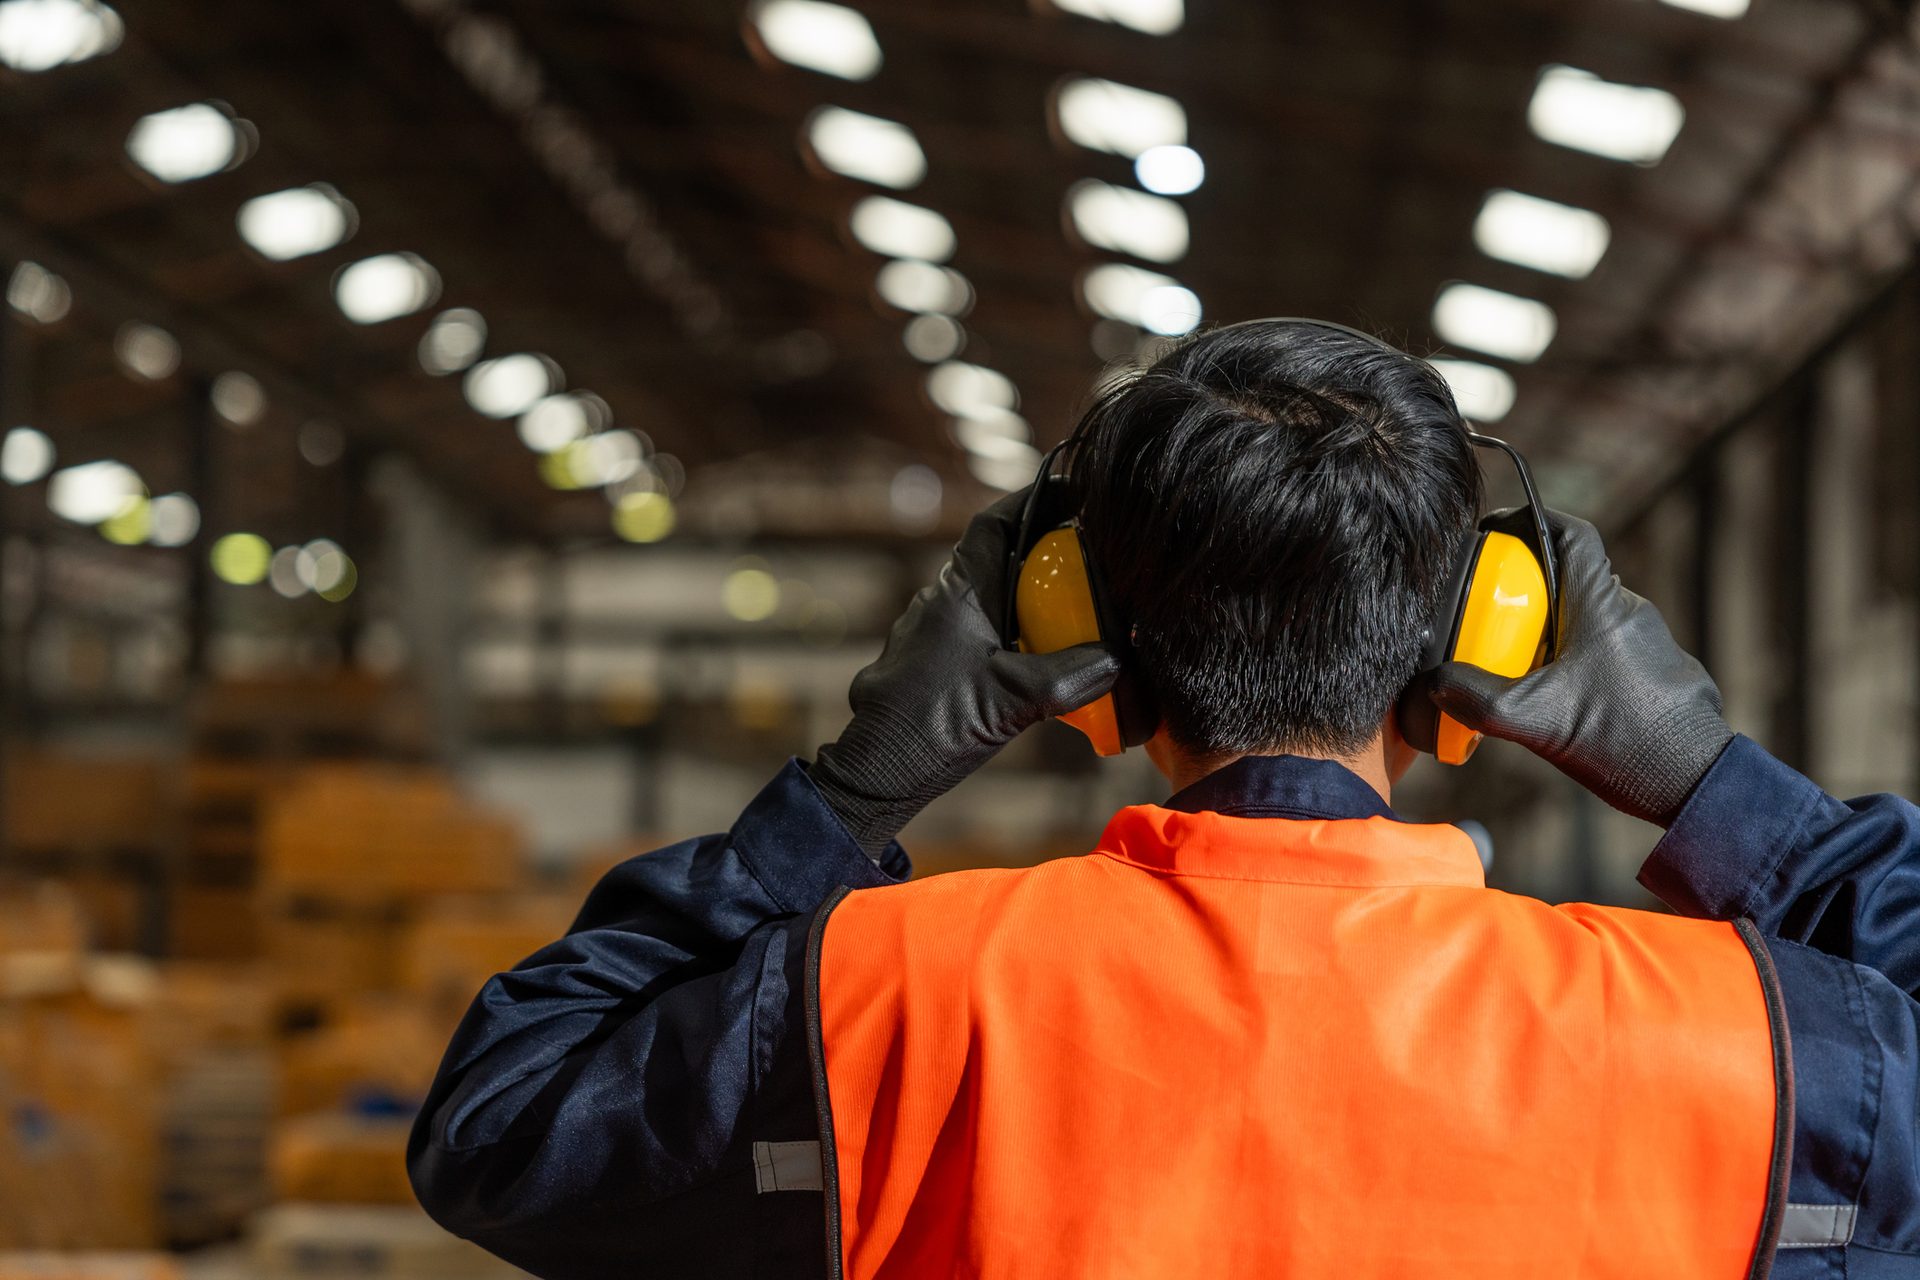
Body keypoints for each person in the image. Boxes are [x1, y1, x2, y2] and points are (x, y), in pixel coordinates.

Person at [408, 320, 1920, 1279]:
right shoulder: (1749, 1043)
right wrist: (1712, 783)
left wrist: (860, 786)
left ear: (1085, 653)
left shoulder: (890, 1000)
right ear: (1473, 654)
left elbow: (500, 1124)